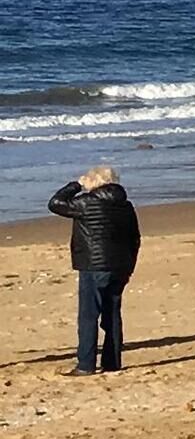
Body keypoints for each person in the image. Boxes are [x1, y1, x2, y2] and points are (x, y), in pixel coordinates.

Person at [49, 161, 139, 377]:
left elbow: (55, 203)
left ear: (95, 181)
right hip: (119, 265)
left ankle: (86, 364)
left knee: (89, 315)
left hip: (93, 265)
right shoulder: (125, 205)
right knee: (112, 314)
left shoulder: (86, 202)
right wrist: (129, 264)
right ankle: (112, 362)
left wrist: (76, 185)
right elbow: (134, 238)